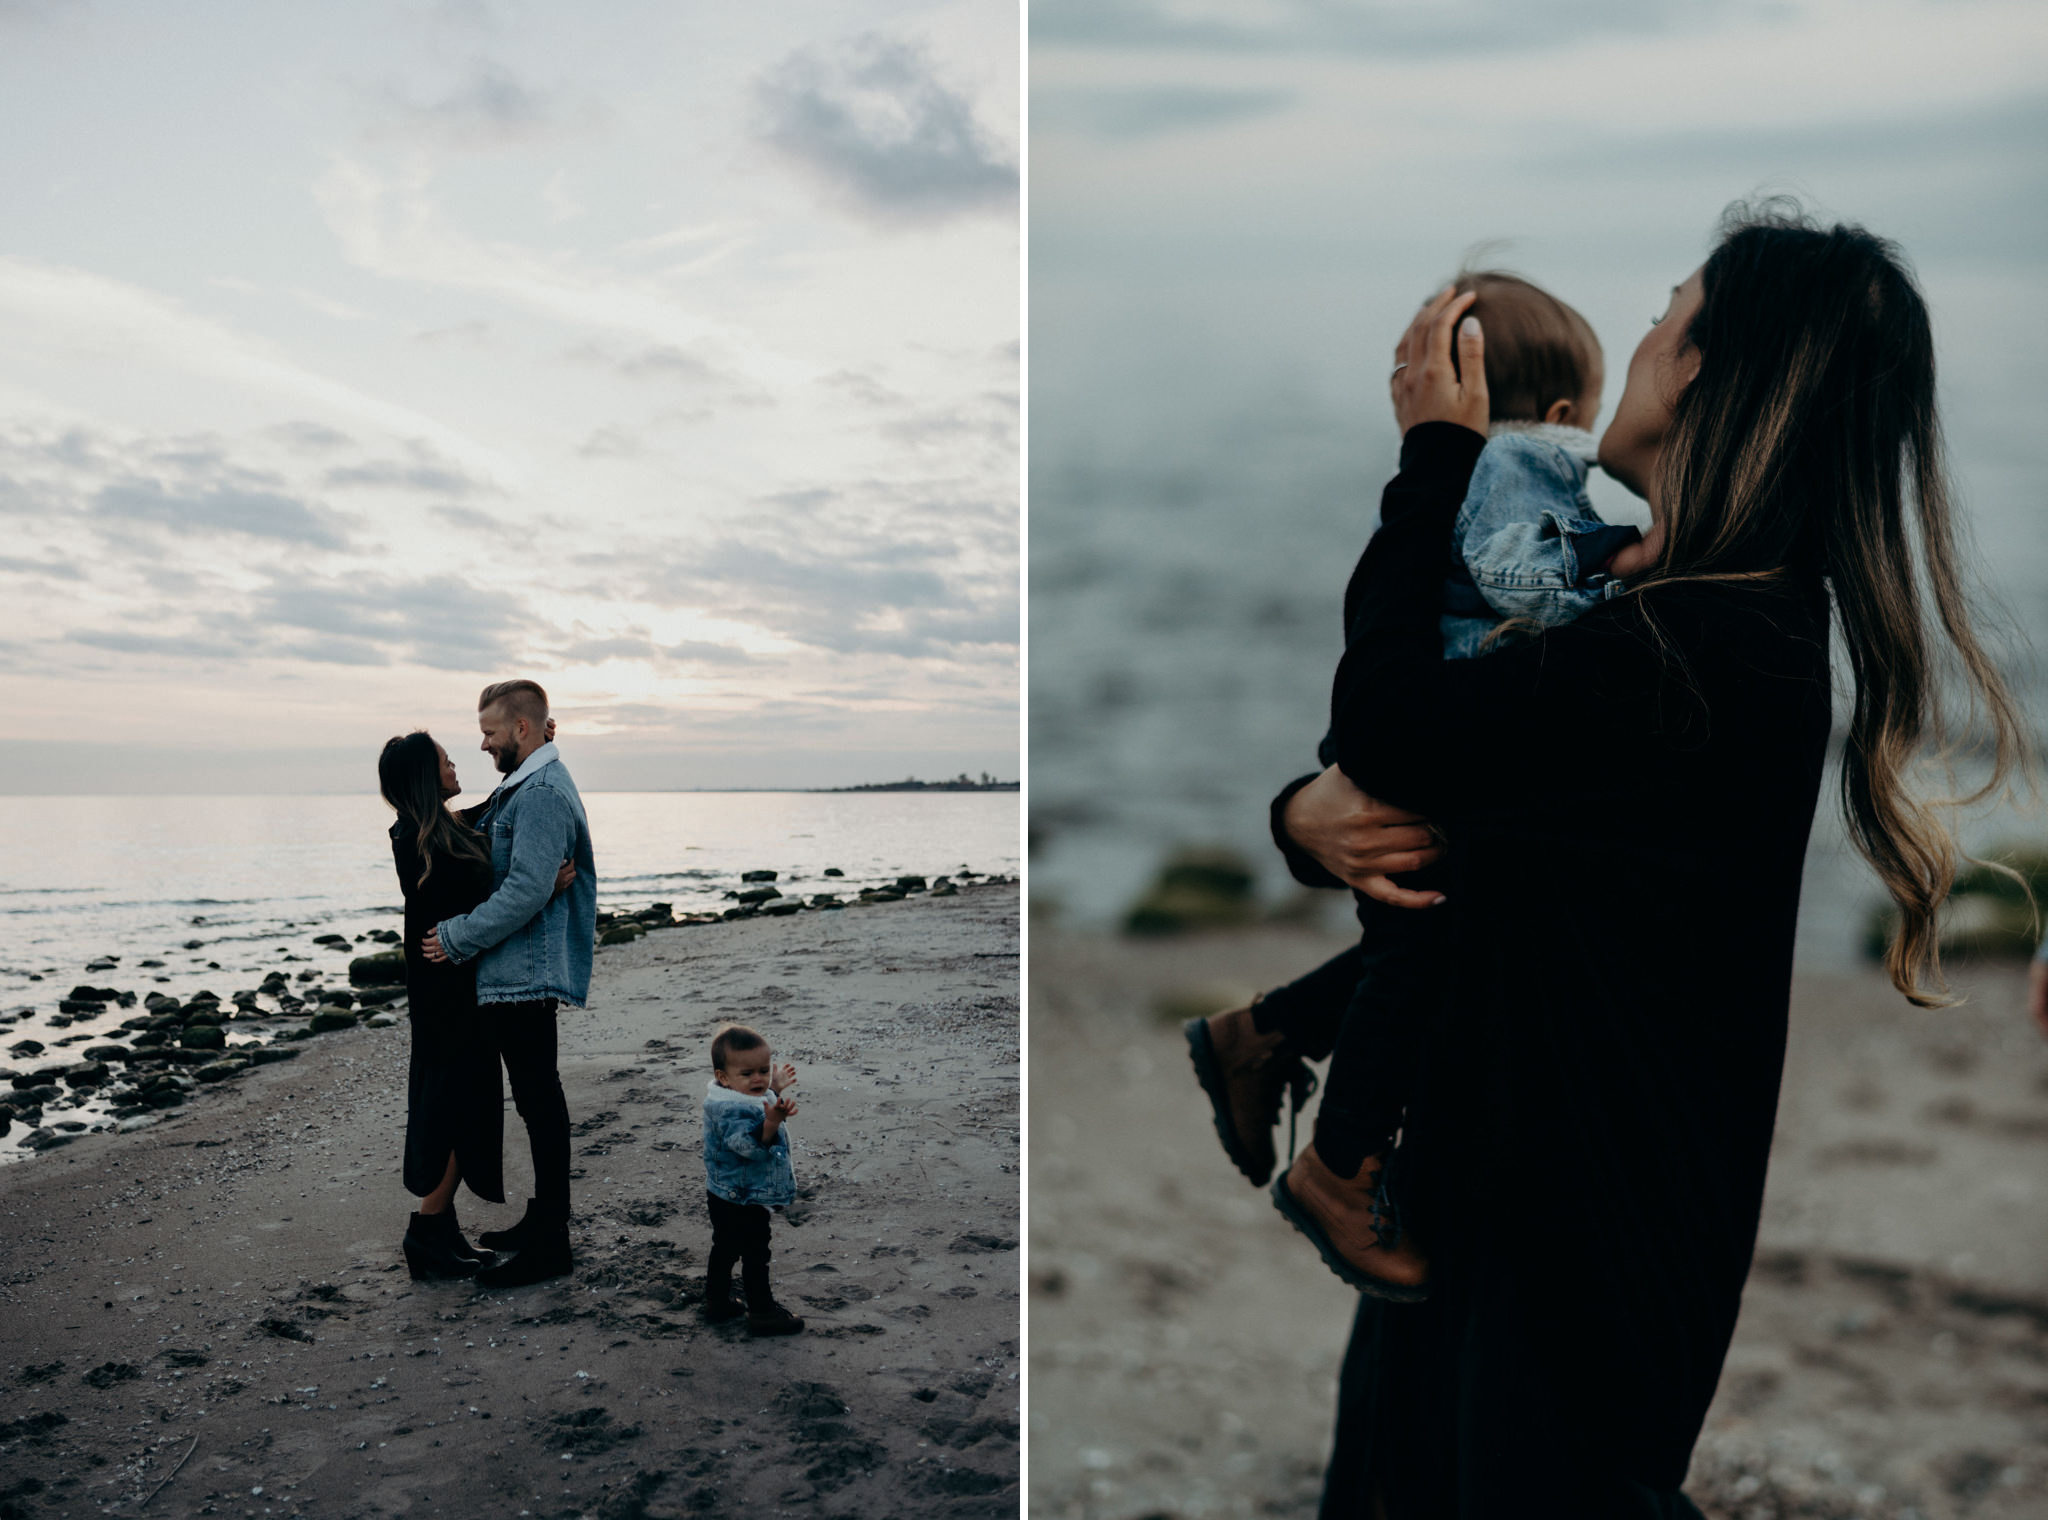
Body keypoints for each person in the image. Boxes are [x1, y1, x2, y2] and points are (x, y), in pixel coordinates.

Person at [1273, 204, 2027, 1516]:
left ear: (1703, 373)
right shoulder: (1690, 619)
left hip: (1577, 1237)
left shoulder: (1705, 653)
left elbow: (1395, 734)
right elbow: (1441, 799)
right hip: (1515, 1184)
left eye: (1664, 313)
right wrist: (1301, 820)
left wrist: (1435, 455)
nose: (1638, 339)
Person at [1185, 272, 1643, 1299]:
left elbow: (1381, 602)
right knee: (1419, 947)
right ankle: (1334, 1165)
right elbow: (1518, 573)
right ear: (1567, 411)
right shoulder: (1527, 461)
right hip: (1433, 753)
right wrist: (1626, 556)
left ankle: (1257, 1034)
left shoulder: (1448, 476)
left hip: (1423, 744)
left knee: (1421, 939)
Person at [422, 679, 599, 1289]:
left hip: (524, 971)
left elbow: (524, 889)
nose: (482, 744)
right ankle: (543, 1221)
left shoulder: (542, 792)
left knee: (540, 1103)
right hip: (514, 969)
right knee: (534, 1101)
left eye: (490, 733)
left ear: (523, 729)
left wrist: (453, 938)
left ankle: (552, 1243)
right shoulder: (523, 785)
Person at [701, 1024, 805, 1336]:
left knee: (726, 1248)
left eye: (763, 1070)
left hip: (728, 1194)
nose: (758, 1079)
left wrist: (774, 1089)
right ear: (724, 1077)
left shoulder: (738, 1095)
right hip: (741, 1197)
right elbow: (747, 1146)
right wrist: (772, 1122)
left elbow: (757, 1101)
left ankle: (716, 1301)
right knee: (755, 1253)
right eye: (748, 1074)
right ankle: (762, 1313)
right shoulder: (728, 1109)